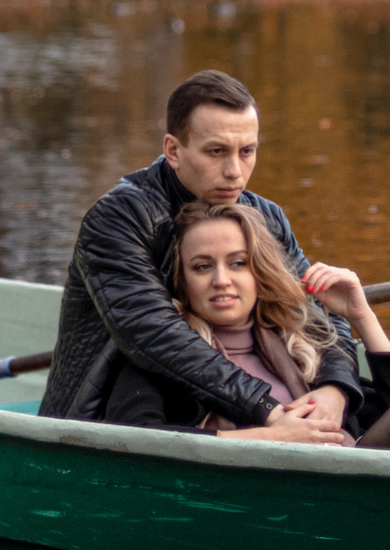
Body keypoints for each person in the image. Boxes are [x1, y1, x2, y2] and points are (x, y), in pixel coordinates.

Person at [39, 70, 364, 432]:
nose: (235, 172)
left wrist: (337, 387)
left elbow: (315, 310)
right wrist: (268, 411)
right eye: (216, 152)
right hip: (111, 417)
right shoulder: (119, 218)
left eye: (247, 152)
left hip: (229, 410)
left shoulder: (265, 217)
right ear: (173, 151)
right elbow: (152, 331)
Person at [101, 201, 390, 451]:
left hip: (349, 477)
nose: (221, 280)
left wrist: (361, 315)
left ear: (259, 272)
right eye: (202, 266)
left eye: (237, 263)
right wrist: (269, 436)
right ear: (182, 281)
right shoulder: (166, 356)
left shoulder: (293, 342)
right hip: (256, 497)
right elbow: (134, 439)